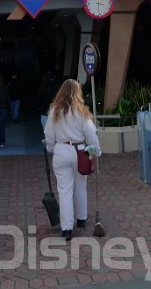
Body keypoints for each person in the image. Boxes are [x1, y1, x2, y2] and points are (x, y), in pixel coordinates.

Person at [44, 78, 101, 241]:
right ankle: (81, 218)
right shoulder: (81, 111)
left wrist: (50, 147)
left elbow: (49, 134)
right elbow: (91, 135)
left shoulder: (54, 111)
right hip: (80, 151)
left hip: (61, 150)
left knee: (64, 190)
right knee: (80, 186)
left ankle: (67, 228)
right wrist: (97, 152)